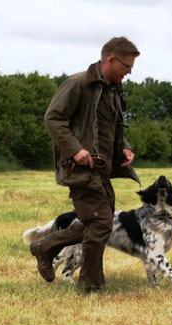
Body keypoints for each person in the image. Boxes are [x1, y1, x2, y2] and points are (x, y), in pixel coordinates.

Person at [30, 36, 141, 292]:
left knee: (95, 223)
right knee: (101, 223)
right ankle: (90, 285)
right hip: (79, 168)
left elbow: (113, 127)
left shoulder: (112, 89)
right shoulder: (78, 83)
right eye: (126, 65)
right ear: (110, 60)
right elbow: (53, 119)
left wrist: (123, 146)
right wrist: (75, 149)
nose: (130, 71)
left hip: (102, 170)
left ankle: (43, 247)